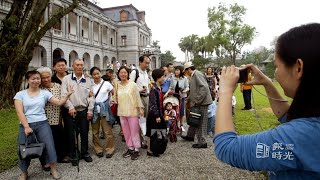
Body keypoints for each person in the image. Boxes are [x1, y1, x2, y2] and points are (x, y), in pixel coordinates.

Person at [214, 23, 320, 179]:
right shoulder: (312, 122)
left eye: (277, 66)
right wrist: (267, 83)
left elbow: (226, 147)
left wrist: (224, 91)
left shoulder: (302, 135)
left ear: (298, 68)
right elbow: (290, 117)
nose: (275, 74)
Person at [14, 70, 73, 180]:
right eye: (33, 78)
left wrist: (68, 95)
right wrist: (26, 127)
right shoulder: (20, 94)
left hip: (42, 123)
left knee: (49, 146)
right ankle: (24, 172)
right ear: (28, 80)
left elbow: (59, 102)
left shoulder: (45, 93)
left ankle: (53, 169)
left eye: (37, 78)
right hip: (25, 125)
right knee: (23, 148)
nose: (36, 81)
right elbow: (20, 112)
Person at [61, 59, 95, 166]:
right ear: (73, 66)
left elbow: (91, 96)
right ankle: (74, 154)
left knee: (85, 132)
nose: (80, 67)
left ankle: (84, 152)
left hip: (84, 110)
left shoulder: (88, 79)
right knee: (71, 133)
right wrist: (70, 107)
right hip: (71, 111)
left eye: (81, 65)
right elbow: (64, 95)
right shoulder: (66, 79)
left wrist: (90, 110)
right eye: (77, 65)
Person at [37, 67, 66, 171]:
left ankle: (59, 157)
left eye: (47, 77)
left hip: (57, 117)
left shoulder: (58, 86)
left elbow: (63, 99)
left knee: (58, 138)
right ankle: (45, 162)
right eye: (43, 78)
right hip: (43, 120)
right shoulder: (38, 89)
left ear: (50, 76)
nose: (45, 79)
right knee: (44, 141)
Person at [114, 66, 144, 160]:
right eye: (121, 72)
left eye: (125, 72)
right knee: (126, 131)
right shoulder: (117, 84)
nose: (123, 74)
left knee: (134, 131)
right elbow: (114, 96)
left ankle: (136, 149)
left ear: (128, 74)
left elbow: (137, 97)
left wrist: (140, 109)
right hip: (122, 111)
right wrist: (113, 100)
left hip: (132, 111)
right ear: (118, 74)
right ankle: (130, 147)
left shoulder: (133, 84)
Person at [181, 62, 212, 148]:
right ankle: (190, 136)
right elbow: (194, 90)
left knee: (201, 122)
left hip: (202, 102)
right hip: (200, 101)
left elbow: (204, 88)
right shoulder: (194, 75)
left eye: (186, 71)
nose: (186, 73)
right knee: (194, 118)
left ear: (189, 69)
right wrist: (189, 100)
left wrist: (197, 100)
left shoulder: (197, 74)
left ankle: (202, 142)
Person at [90, 67, 115, 158]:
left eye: (98, 73)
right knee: (95, 131)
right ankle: (98, 149)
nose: (96, 76)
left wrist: (112, 101)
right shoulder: (90, 85)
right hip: (94, 108)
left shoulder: (106, 83)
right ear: (92, 76)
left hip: (104, 108)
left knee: (107, 130)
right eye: (94, 74)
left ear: (100, 73)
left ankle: (110, 149)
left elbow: (113, 92)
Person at [129, 55, 151, 149]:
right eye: (146, 63)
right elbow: (129, 87)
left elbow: (148, 84)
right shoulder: (134, 72)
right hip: (138, 98)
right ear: (140, 62)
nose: (147, 65)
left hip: (146, 98)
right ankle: (140, 140)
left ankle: (143, 138)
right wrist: (139, 91)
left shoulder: (146, 72)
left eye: (148, 63)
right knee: (139, 119)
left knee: (144, 119)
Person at [146, 68, 167, 157]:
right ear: (158, 78)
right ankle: (151, 150)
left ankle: (156, 148)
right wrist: (157, 116)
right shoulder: (153, 89)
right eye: (163, 77)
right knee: (153, 132)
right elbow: (153, 104)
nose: (164, 78)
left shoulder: (158, 88)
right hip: (155, 115)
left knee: (158, 131)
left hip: (159, 114)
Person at [164, 65, 189, 132]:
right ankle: (173, 124)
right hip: (174, 96)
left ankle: (181, 125)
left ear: (181, 71)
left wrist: (184, 90)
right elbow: (171, 87)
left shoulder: (185, 78)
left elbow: (187, 87)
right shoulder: (173, 78)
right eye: (175, 70)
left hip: (182, 96)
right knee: (174, 110)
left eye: (178, 70)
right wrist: (167, 93)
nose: (176, 71)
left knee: (181, 111)